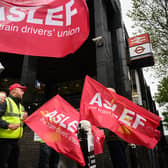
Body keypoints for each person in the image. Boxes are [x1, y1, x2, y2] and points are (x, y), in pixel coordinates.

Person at [0, 83, 28, 168]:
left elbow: (21, 124)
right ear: (13, 91)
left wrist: (25, 121)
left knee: (13, 164)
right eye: (21, 90)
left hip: (15, 141)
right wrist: (8, 125)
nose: (23, 93)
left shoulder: (21, 106)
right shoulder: (4, 101)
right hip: (3, 141)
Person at [106, 88, 128, 168]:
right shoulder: (108, 105)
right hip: (112, 138)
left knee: (120, 162)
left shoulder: (118, 106)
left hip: (117, 138)